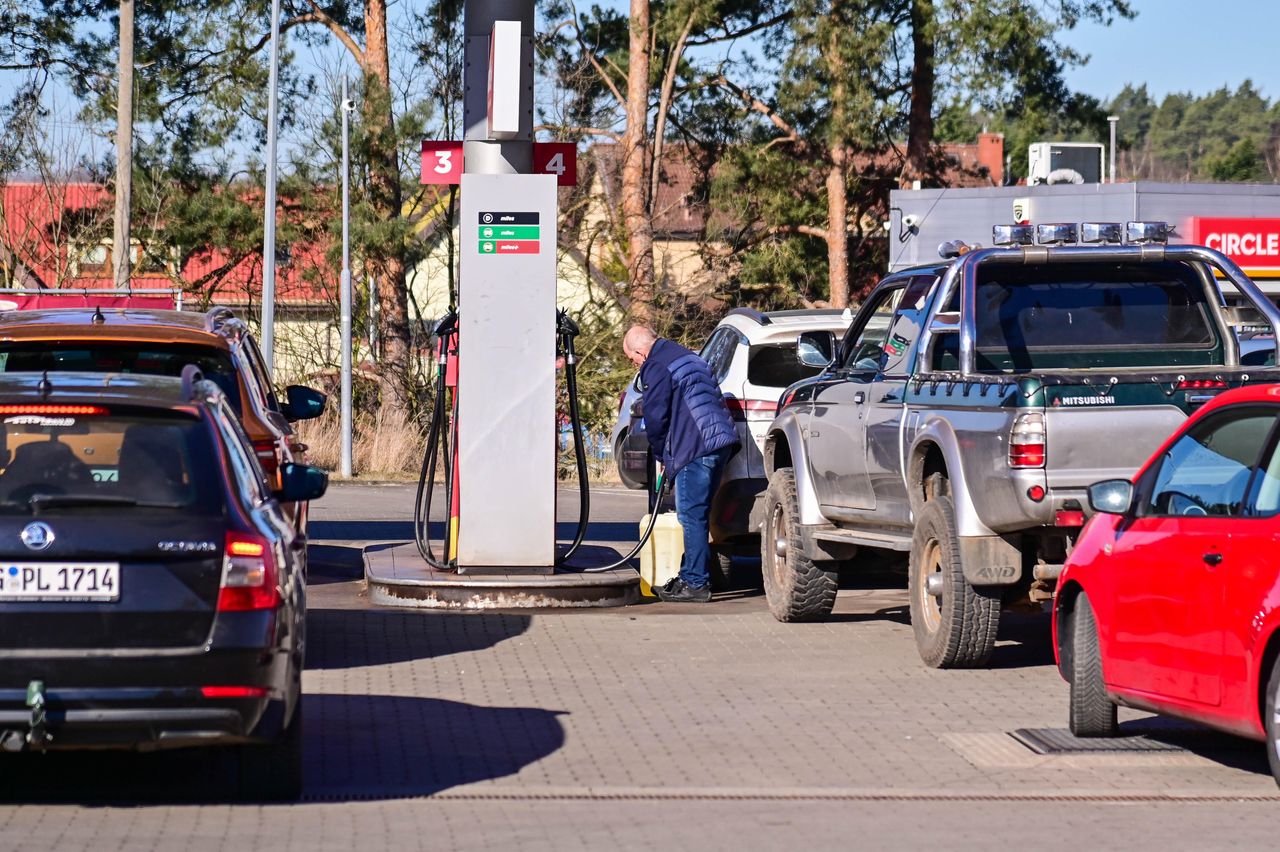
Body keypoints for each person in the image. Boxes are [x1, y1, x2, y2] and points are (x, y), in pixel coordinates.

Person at [623, 325, 739, 602]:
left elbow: (656, 415)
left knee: (690, 515)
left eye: (632, 359)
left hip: (696, 447)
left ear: (640, 351)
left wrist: (663, 456)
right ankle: (690, 574)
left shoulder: (656, 365)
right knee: (699, 514)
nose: (635, 365)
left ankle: (696, 584)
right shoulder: (690, 357)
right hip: (720, 442)